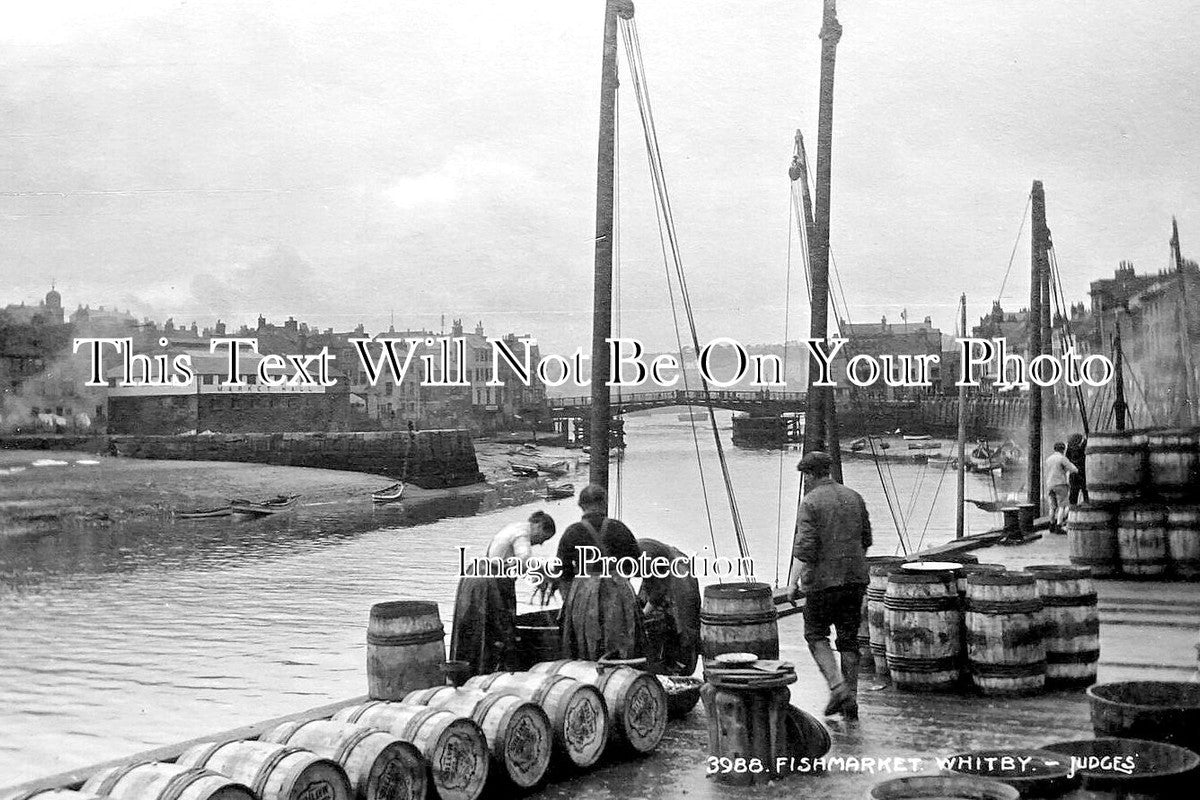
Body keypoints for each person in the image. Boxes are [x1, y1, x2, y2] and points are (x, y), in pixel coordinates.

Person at [786, 451, 871, 720]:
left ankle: (837, 687)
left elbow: (805, 550)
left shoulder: (810, 503)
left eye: (805, 476)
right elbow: (866, 540)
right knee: (848, 639)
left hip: (823, 584)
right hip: (855, 580)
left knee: (815, 634)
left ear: (809, 475)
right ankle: (851, 701)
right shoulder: (854, 497)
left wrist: (791, 584)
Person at [449, 510, 556, 675]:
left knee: (474, 625)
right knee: (497, 626)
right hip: (489, 583)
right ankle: (490, 669)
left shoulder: (514, 527)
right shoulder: (522, 534)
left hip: (476, 576)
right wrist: (542, 576)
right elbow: (525, 560)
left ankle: (471, 666)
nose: (541, 543)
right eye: (544, 537)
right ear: (539, 526)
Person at [556, 484, 646, 661]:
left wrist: (570, 601)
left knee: (583, 645)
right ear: (605, 503)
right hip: (618, 593)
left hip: (582, 594)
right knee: (623, 642)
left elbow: (563, 572)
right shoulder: (619, 529)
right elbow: (636, 566)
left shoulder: (572, 532)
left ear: (581, 505)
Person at [637, 537, 701, 676]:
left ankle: (682, 665)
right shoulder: (619, 563)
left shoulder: (641, 559)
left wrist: (642, 615)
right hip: (656, 568)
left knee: (684, 620)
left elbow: (658, 591)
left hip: (675, 566)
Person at [1045, 442, 1078, 533]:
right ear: (1062, 449)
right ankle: (1059, 526)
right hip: (1060, 484)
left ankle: (1051, 524)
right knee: (1062, 506)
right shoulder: (1062, 458)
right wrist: (1076, 470)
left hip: (1050, 485)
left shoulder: (1048, 459)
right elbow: (1072, 468)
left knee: (1052, 506)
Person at [1066, 433, 1088, 507]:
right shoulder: (1079, 450)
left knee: (1073, 491)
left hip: (1073, 473)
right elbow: (1082, 448)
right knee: (1085, 489)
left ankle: (1072, 507)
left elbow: (1067, 458)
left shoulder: (1069, 449)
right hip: (1081, 472)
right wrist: (1085, 440)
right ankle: (1086, 503)